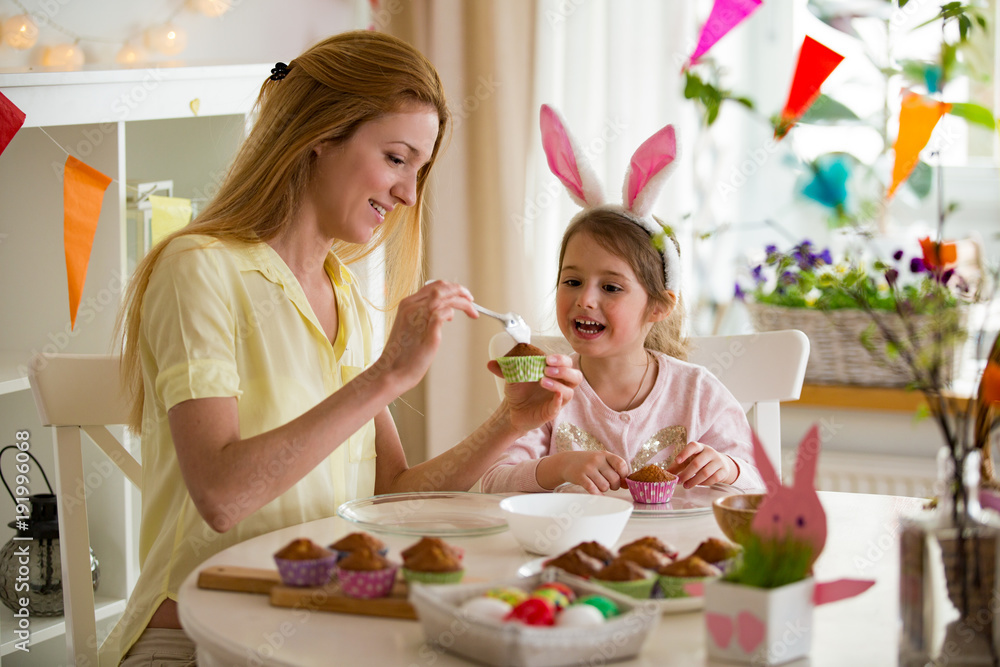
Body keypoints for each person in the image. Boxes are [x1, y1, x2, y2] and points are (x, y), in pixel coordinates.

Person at [105, 33, 579, 666]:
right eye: (395, 158)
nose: (411, 193)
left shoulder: (345, 294)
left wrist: (510, 422)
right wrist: (385, 375)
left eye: (421, 168)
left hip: (319, 632)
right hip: (196, 634)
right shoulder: (199, 268)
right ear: (319, 137)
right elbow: (221, 495)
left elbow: (393, 497)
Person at [480, 105, 763, 496]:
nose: (585, 299)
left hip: (675, 554)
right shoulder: (548, 391)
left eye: (611, 287)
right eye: (573, 281)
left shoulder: (697, 392)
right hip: (572, 552)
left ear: (659, 306)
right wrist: (556, 467)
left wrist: (728, 468)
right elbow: (493, 484)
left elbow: (762, 486)